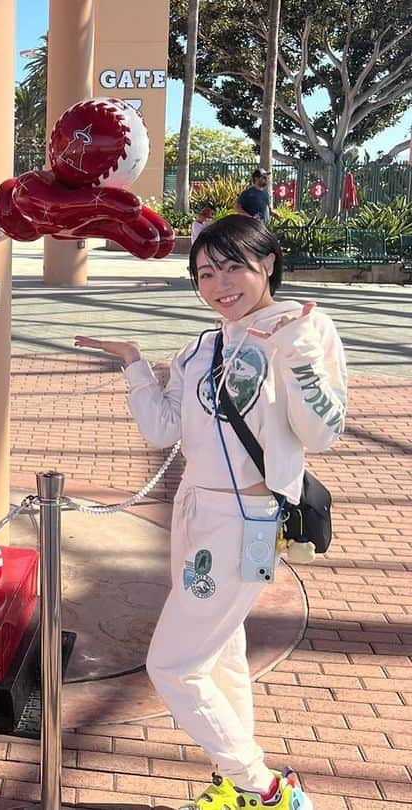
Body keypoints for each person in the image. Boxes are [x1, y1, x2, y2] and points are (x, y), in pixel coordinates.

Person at [75, 214, 346, 810]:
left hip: (246, 520)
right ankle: (240, 787)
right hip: (193, 512)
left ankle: (263, 786)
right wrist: (133, 363)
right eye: (205, 272)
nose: (220, 283)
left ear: (267, 263)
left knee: (173, 663)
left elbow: (323, 431)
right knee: (219, 650)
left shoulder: (303, 327)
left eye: (233, 266)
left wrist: (296, 357)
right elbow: (163, 425)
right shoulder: (201, 346)